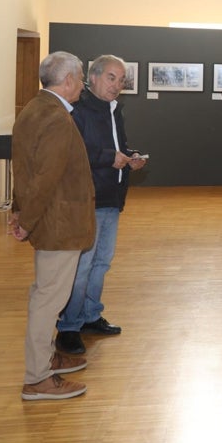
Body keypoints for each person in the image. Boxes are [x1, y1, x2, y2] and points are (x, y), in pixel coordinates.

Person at [11, 52, 96, 401]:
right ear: (69, 80)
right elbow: (45, 178)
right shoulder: (57, 119)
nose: (82, 84)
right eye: (80, 77)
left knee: (45, 293)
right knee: (49, 299)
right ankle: (38, 378)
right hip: (60, 224)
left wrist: (21, 212)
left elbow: (24, 169)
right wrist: (25, 221)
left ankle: (46, 358)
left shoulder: (34, 109)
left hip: (50, 220)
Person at [54, 55, 148, 356]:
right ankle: (68, 327)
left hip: (111, 197)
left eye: (121, 80)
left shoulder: (114, 110)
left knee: (101, 264)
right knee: (81, 268)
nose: (117, 85)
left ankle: (91, 316)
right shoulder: (77, 110)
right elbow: (75, 152)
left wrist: (130, 156)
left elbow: (116, 146)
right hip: (87, 199)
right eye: (111, 77)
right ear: (91, 77)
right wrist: (111, 157)